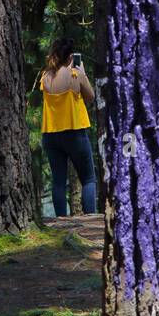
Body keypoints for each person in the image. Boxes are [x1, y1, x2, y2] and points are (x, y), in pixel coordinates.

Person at [39, 37, 97, 216]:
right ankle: (89, 218)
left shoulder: (46, 76)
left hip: (51, 134)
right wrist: (82, 72)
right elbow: (91, 96)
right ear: (70, 56)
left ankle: (60, 222)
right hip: (74, 132)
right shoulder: (75, 74)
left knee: (58, 181)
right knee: (88, 178)